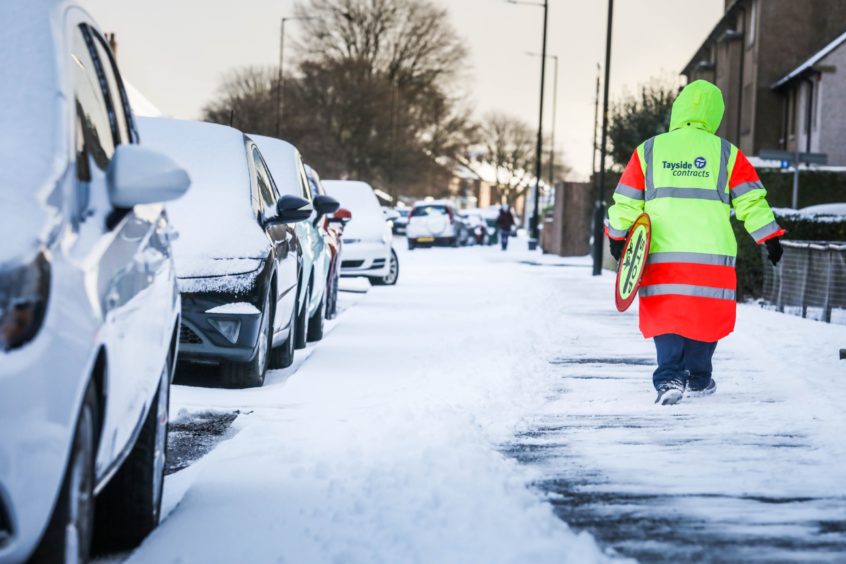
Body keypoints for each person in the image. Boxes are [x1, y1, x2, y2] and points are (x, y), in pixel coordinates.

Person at [605, 80, 784, 406]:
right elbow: (751, 201)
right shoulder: (728, 153)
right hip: (711, 257)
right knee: (706, 316)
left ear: (679, 109)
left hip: (660, 254)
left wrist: (618, 238)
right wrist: (768, 237)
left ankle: (670, 375)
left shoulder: (649, 150)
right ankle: (699, 378)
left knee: (666, 315)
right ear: (715, 114)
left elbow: (627, 201)